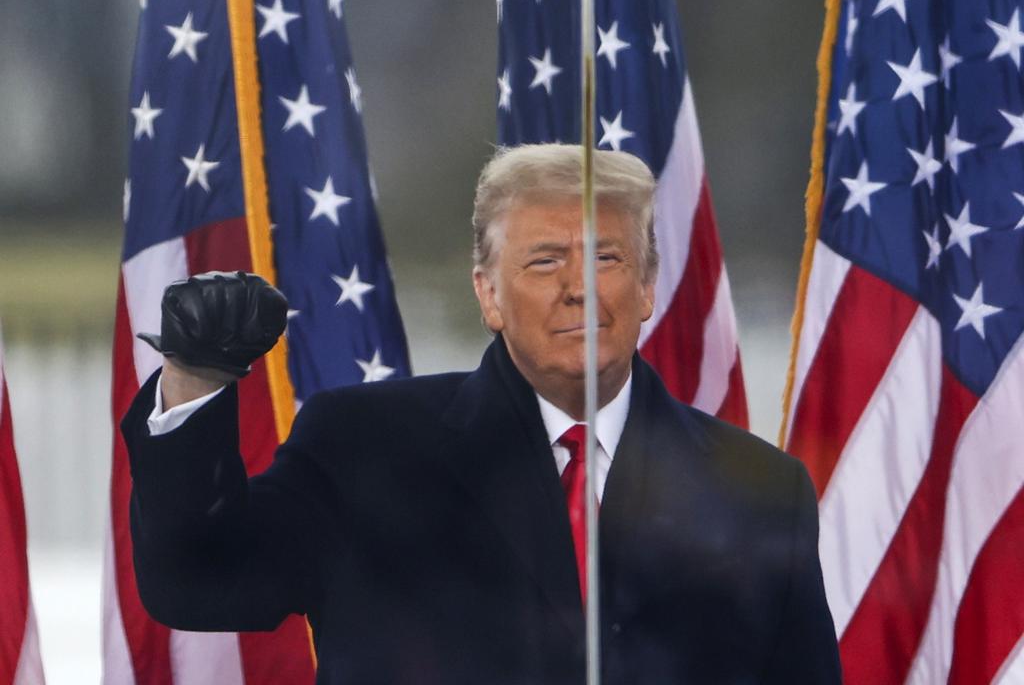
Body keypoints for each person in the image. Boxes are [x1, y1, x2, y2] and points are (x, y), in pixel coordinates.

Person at [122, 144, 841, 684]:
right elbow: (196, 579)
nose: (579, 289)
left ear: (648, 287)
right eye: (544, 261)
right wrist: (197, 377)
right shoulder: (363, 450)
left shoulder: (762, 492)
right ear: (488, 295)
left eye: (608, 258)